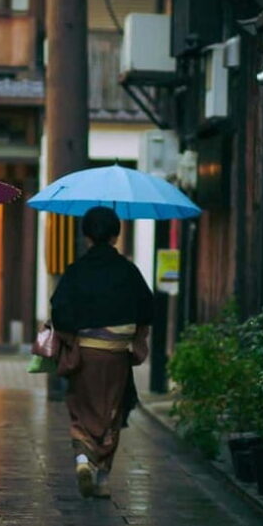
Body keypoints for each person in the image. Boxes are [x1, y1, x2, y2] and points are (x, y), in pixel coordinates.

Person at [50, 206, 154, 498]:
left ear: (86, 237)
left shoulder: (77, 270)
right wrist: (136, 339)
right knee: (112, 412)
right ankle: (102, 479)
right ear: (116, 235)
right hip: (116, 355)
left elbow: (59, 308)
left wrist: (70, 339)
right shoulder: (128, 271)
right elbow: (146, 308)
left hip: (85, 353)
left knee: (81, 411)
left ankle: (83, 460)